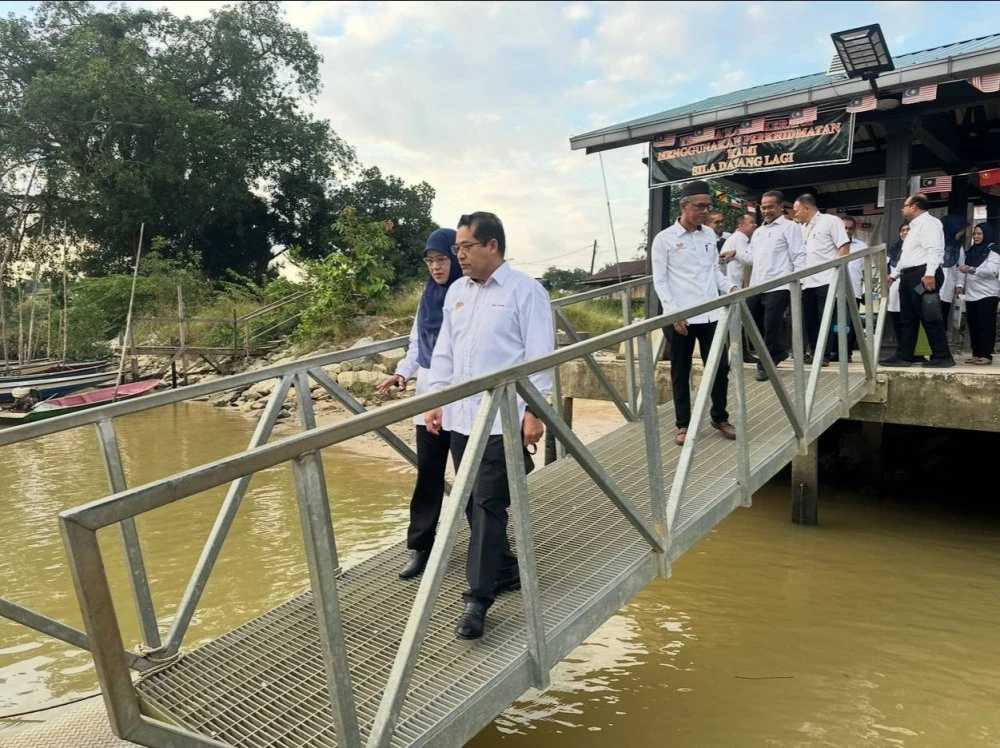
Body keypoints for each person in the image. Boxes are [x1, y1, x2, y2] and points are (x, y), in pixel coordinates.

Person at [424, 211, 554, 641]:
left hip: (504, 417)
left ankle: (478, 600)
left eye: (465, 247)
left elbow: (540, 355)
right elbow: (446, 348)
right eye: (457, 248)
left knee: (486, 502)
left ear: (492, 246)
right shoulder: (457, 292)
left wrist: (535, 412)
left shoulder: (525, 291)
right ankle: (507, 569)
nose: (458, 255)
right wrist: (437, 399)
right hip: (462, 417)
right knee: (467, 499)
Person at [377, 228, 463, 580]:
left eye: (442, 259)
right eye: (430, 261)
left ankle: (484, 548)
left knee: (469, 473)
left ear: (457, 257)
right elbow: (417, 344)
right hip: (427, 397)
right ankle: (420, 548)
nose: (436, 267)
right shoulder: (427, 298)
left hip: (461, 400)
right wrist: (402, 374)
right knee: (428, 475)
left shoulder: (467, 296)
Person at [652, 180, 739, 446]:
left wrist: (731, 286)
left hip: (711, 313)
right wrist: (672, 313)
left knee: (720, 367)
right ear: (684, 206)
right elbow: (661, 280)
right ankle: (683, 424)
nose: (704, 211)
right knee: (681, 370)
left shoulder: (708, 236)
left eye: (707, 206)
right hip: (682, 316)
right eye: (699, 206)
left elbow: (714, 271)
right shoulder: (664, 239)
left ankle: (719, 416)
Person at [724, 190, 804, 382]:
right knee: (752, 324)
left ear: (780, 207)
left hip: (779, 285)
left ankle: (765, 363)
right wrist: (735, 253)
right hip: (757, 285)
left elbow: (799, 255)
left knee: (771, 326)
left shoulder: (790, 228)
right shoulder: (759, 232)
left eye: (770, 206)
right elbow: (752, 258)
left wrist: (799, 283)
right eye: (763, 207)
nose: (766, 210)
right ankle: (776, 352)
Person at [881, 193, 955, 368]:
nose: (903, 209)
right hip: (909, 275)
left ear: (914, 206)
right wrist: (894, 274)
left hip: (923, 275)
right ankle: (905, 355)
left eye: (905, 205)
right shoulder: (914, 227)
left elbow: (934, 250)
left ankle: (942, 355)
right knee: (908, 317)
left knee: (928, 314)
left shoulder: (930, 223)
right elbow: (907, 256)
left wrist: (929, 274)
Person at [794, 194, 850, 365]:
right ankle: (813, 352)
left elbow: (844, 247)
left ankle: (824, 355)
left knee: (825, 318)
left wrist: (838, 274)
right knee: (809, 319)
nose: (795, 215)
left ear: (807, 208)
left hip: (827, 279)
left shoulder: (830, 221)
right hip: (806, 281)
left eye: (796, 211)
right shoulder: (801, 228)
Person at [956, 223, 1000, 364]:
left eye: (979, 234)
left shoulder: (994, 250)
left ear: (986, 234)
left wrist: (972, 269)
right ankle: (976, 353)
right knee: (973, 324)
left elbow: (992, 271)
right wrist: (960, 285)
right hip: (971, 294)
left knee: (986, 324)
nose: (976, 236)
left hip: (988, 293)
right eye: (974, 234)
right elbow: (962, 269)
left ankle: (986, 355)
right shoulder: (971, 251)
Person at [719, 213, 757, 363]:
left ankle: (739, 353)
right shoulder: (739, 239)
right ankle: (740, 353)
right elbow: (750, 259)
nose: (755, 225)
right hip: (732, 286)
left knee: (736, 319)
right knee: (735, 320)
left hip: (734, 286)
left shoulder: (737, 239)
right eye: (751, 222)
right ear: (741, 226)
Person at [842, 216, 868, 361]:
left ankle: (847, 352)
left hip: (854, 291)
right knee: (835, 324)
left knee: (850, 324)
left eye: (850, 228)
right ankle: (833, 351)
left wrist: (866, 290)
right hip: (833, 290)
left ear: (854, 229)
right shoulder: (831, 244)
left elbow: (865, 270)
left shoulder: (861, 246)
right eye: (844, 227)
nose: (847, 230)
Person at [939, 215, 969, 326]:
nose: (961, 233)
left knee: (943, 316)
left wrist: (959, 285)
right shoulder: (936, 244)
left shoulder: (958, 248)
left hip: (948, 287)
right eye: (960, 231)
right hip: (930, 286)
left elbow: (960, 268)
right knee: (928, 315)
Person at [886, 222, 909, 351]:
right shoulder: (893, 249)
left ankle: (914, 352)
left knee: (910, 321)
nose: (905, 232)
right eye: (902, 230)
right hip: (895, 290)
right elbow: (886, 267)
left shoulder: (918, 249)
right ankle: (902, 350)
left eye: (908, 230)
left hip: (912, 290)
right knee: (897, 319)